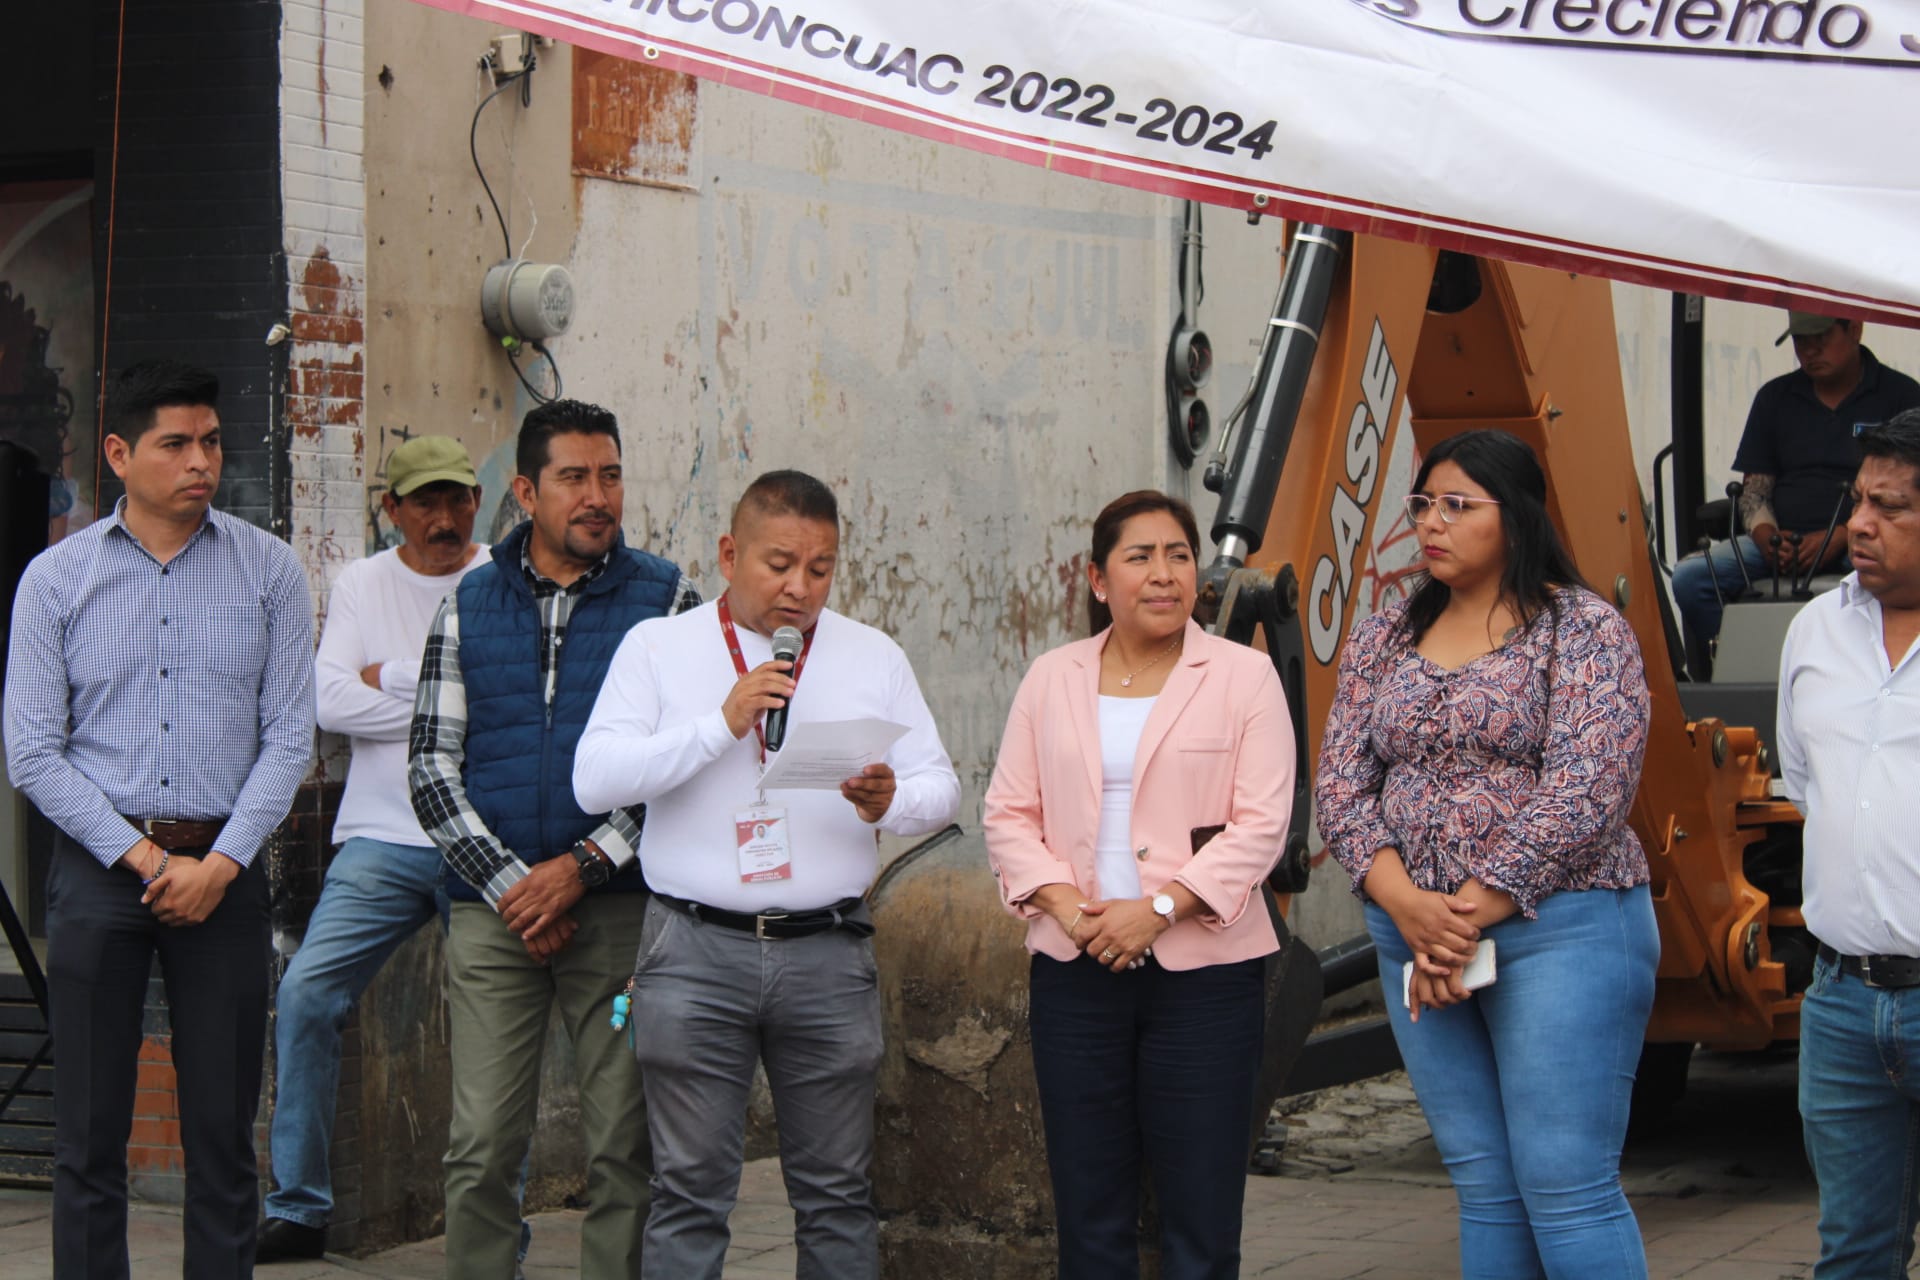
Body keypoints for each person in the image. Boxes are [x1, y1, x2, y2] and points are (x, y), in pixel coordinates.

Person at [573, 469, 959, 1280]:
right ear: (729, 553)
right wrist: (720, 724)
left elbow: (941, 788)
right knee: (688, 1192)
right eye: (779, 564)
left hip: (825, 952)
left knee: (837, 1194)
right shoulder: (659, 648)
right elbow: (596, 778)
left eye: (820, 569)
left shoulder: (870, 654)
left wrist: (888, 801)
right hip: (692, 950)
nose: (799, 588)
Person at [1315, 429, 1656, 1279]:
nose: (1432, 523)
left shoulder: (1581, 629)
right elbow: (1340, 787)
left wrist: (1460, 917)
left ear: (1518, 517)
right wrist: (1408, 909)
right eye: (1423, 504)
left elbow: (1590, 787)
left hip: (1559, 927)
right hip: (1416, 934)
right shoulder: (1386, 633)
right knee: (1486, 1185)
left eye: (1458, 506)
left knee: (1565, 1182)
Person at [4, 360, 316, 1279]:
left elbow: (290, 738)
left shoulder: (270, 572)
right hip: (101, 872)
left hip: (226, 870)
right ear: (118, 453)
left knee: (222, 1135)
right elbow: (29, 750)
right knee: (88, 1136)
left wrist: (218, 864)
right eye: (175, 444)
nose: (200, 462)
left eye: (211, 442)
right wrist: (142, 857)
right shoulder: (55, 580)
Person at [408, 399, 698, 1279]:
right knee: (483, 1147)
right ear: (528, 491)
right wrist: (513, 888)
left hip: (618, 918)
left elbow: (687, 761)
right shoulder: (469, 600)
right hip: (495, 920)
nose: (597, 495)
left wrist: (579, 868)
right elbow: (429, 766)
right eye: (574, 477)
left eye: (609, 474)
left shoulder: (667, 598)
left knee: (623, 1144)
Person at [981, 489, 1293, 1279]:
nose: (1164, 574)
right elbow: (1009, 813)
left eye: (1179, 555)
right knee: (1089, 1214)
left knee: (1202, 1218)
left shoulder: (1243, 677)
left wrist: (1157, 910)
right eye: (1140, 557)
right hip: (1076, 972)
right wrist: (1070, 910)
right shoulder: (1052, 678)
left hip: (1206, 981)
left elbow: (1261, 825)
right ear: (1097, 579)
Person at [255, 436, 489, 1262]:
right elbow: (327, 698)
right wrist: (446, 708)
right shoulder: (363, 581)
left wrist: (390, 677)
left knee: (495, 1028)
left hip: (482, 842)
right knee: (310, 996)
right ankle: (298, 1208)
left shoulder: (501, 577)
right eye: (424, 501)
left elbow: (511, 703)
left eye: (458, 497)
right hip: (381, 838)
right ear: (392, 512)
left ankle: (494, 1230)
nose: (445, 516)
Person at [1778, 410, 1920, 1276]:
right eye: (1858, 500)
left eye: (1893, 507)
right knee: (1854, 1253)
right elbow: (1806, 783)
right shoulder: (1814, 633)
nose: (1860, 524)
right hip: (1841, 1002)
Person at [1672, 311, 1920, 659]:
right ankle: (1746, 662)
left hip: (1861, 536)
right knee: (1691, 578)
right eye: (1801, 341)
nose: (1810, 351)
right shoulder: (1774, 398)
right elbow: (1754, 491)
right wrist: (1767, 537)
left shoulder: (1901, 394)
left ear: (1855, 329)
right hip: (1781, 541)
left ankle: (1870, 662)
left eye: (1820, 339)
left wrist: (1840, 536)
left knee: (1896, 572)